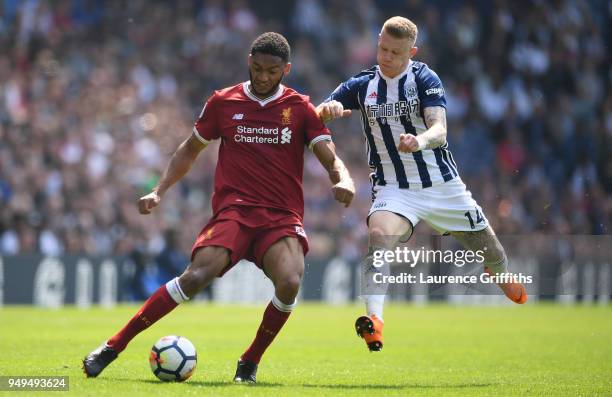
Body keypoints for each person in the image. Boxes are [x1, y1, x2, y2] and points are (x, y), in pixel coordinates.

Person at [82, 32, 355, 383]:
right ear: (248, 62)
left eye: (271, 71)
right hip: (235, 212)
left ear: (285, 69)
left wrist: (343, 179)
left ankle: (249, 362)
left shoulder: (299, 108)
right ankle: (112, 346)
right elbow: (189, 149)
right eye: (256, 68)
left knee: (289, 283)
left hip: (280, 217)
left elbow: (330, 157)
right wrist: (159, 191)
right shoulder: (223, 102)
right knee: (194, 278)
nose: (262, 76)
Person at [316, 16, 527, 352]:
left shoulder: (425, 79)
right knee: (378, 236)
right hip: (394, 188)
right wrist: (328, 109)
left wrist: (421, 141)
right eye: (382, 48)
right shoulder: (363, 84)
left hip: (442, 186)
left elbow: (440, 129)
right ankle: (375, 321)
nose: (386, 57)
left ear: (411, 52)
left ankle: (499, 272)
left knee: (493, 250)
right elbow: (326, 108)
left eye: (395, 53)